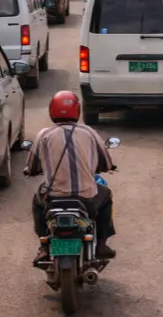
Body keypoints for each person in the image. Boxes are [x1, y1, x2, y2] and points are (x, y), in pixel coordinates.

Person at [24, 91, 116, 264]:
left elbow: (31, 167)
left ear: (52, 110)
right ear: (77, 110)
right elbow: (106, 162)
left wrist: (31, 171)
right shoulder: (89, 132)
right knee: (107, 195)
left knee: (37, 202)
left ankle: (44, 245)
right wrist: (106, 167)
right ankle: (101, 244)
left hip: (53, 198)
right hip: (86, 199)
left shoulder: (43, 135)